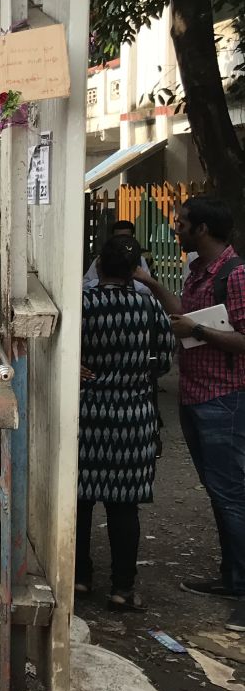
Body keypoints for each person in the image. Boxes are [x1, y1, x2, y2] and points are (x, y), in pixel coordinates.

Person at [138, 196, 245, 630]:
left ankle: (240, 583)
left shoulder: (235, 276)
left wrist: (197, 331)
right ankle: (231, 576)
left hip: (225, 398)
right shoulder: (199, 272)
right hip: (196, 396)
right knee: (220, 492)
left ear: (201, 229)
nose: (176, 228)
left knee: (232, 493)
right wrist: (149, 282)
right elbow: (184, 315)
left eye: (181, 223)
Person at [76, 233, 175, 611]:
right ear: (135, 271)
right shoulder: (149, 309)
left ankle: (81, 579)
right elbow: (163, 361)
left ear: (98, 265)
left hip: (88, 414)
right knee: (123, 507)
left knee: (82, 500)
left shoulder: (83, 306)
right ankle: (122, 588)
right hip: (134, 417)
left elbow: (64, 353)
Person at [84, 218, 155, 291]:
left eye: (126, 238)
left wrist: (132, 282)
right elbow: (85, 284)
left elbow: (149, 288)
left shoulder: (139, 259)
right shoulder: (101, 259)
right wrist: (104, 282)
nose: (122, 241)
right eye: (118, 238)